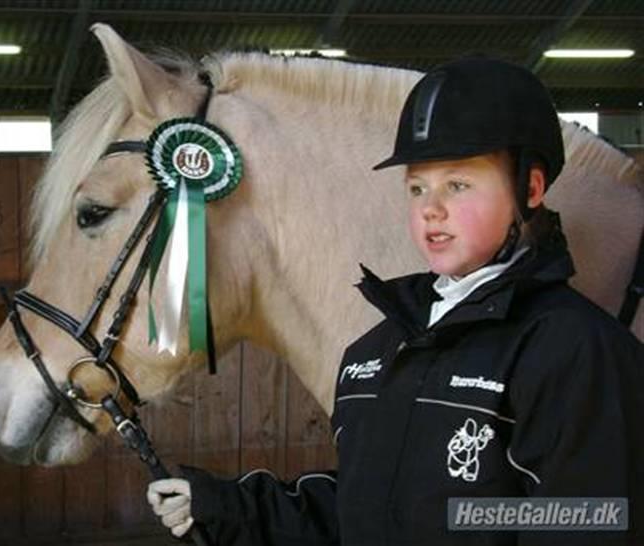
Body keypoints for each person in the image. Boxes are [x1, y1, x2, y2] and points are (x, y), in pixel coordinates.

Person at [146, 57, 644, 545]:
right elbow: (368, 510)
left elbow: (584, 519)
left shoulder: (578, 351)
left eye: (458, 185)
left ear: (530, 188)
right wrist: (228, 508)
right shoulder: (374, 353)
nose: (431, 209)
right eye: (416, 187)